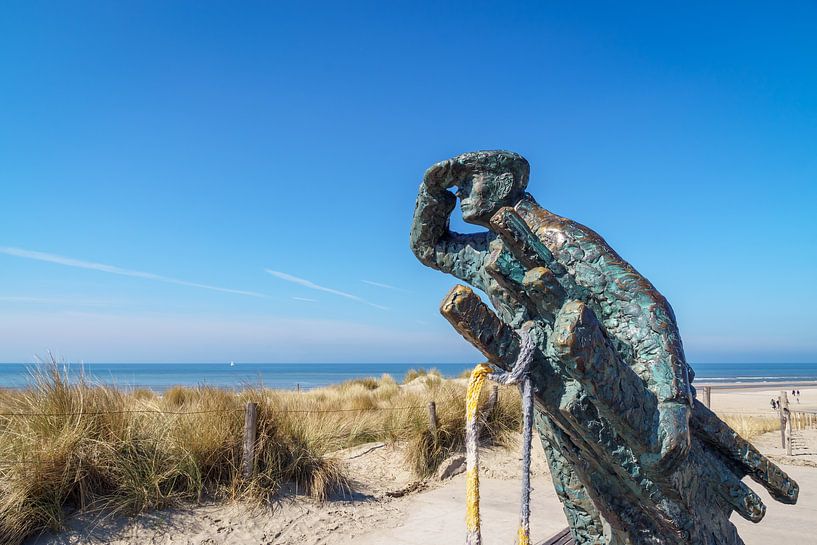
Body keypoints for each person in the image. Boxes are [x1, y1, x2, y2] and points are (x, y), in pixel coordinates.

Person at [411, 150, 697, 543]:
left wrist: (672, 401)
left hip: (607, 398)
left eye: (469, 179)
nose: (460, 190)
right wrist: (432, 192)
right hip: (553, 401)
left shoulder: (556, 237)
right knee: (583, 512)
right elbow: (428, 248)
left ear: (504, 182)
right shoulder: (486, 252)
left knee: (644, 514)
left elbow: (642, 307)